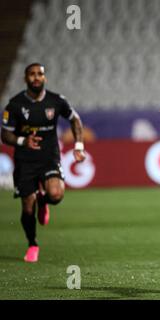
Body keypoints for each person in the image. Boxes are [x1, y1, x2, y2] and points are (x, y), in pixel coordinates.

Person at [1, 63, 86, 262]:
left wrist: (79, 146)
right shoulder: (14, 104)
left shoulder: (56, 101)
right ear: (25, 78)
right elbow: (5, 135)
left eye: (40, 74)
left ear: (45, 78)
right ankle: (33, 244)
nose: (36, 77)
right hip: (25, 160)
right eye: (32, 74)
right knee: (27, 208)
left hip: (49, 157)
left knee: (56, 195)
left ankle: (44, 200)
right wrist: (23, 140)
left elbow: (75, 120)